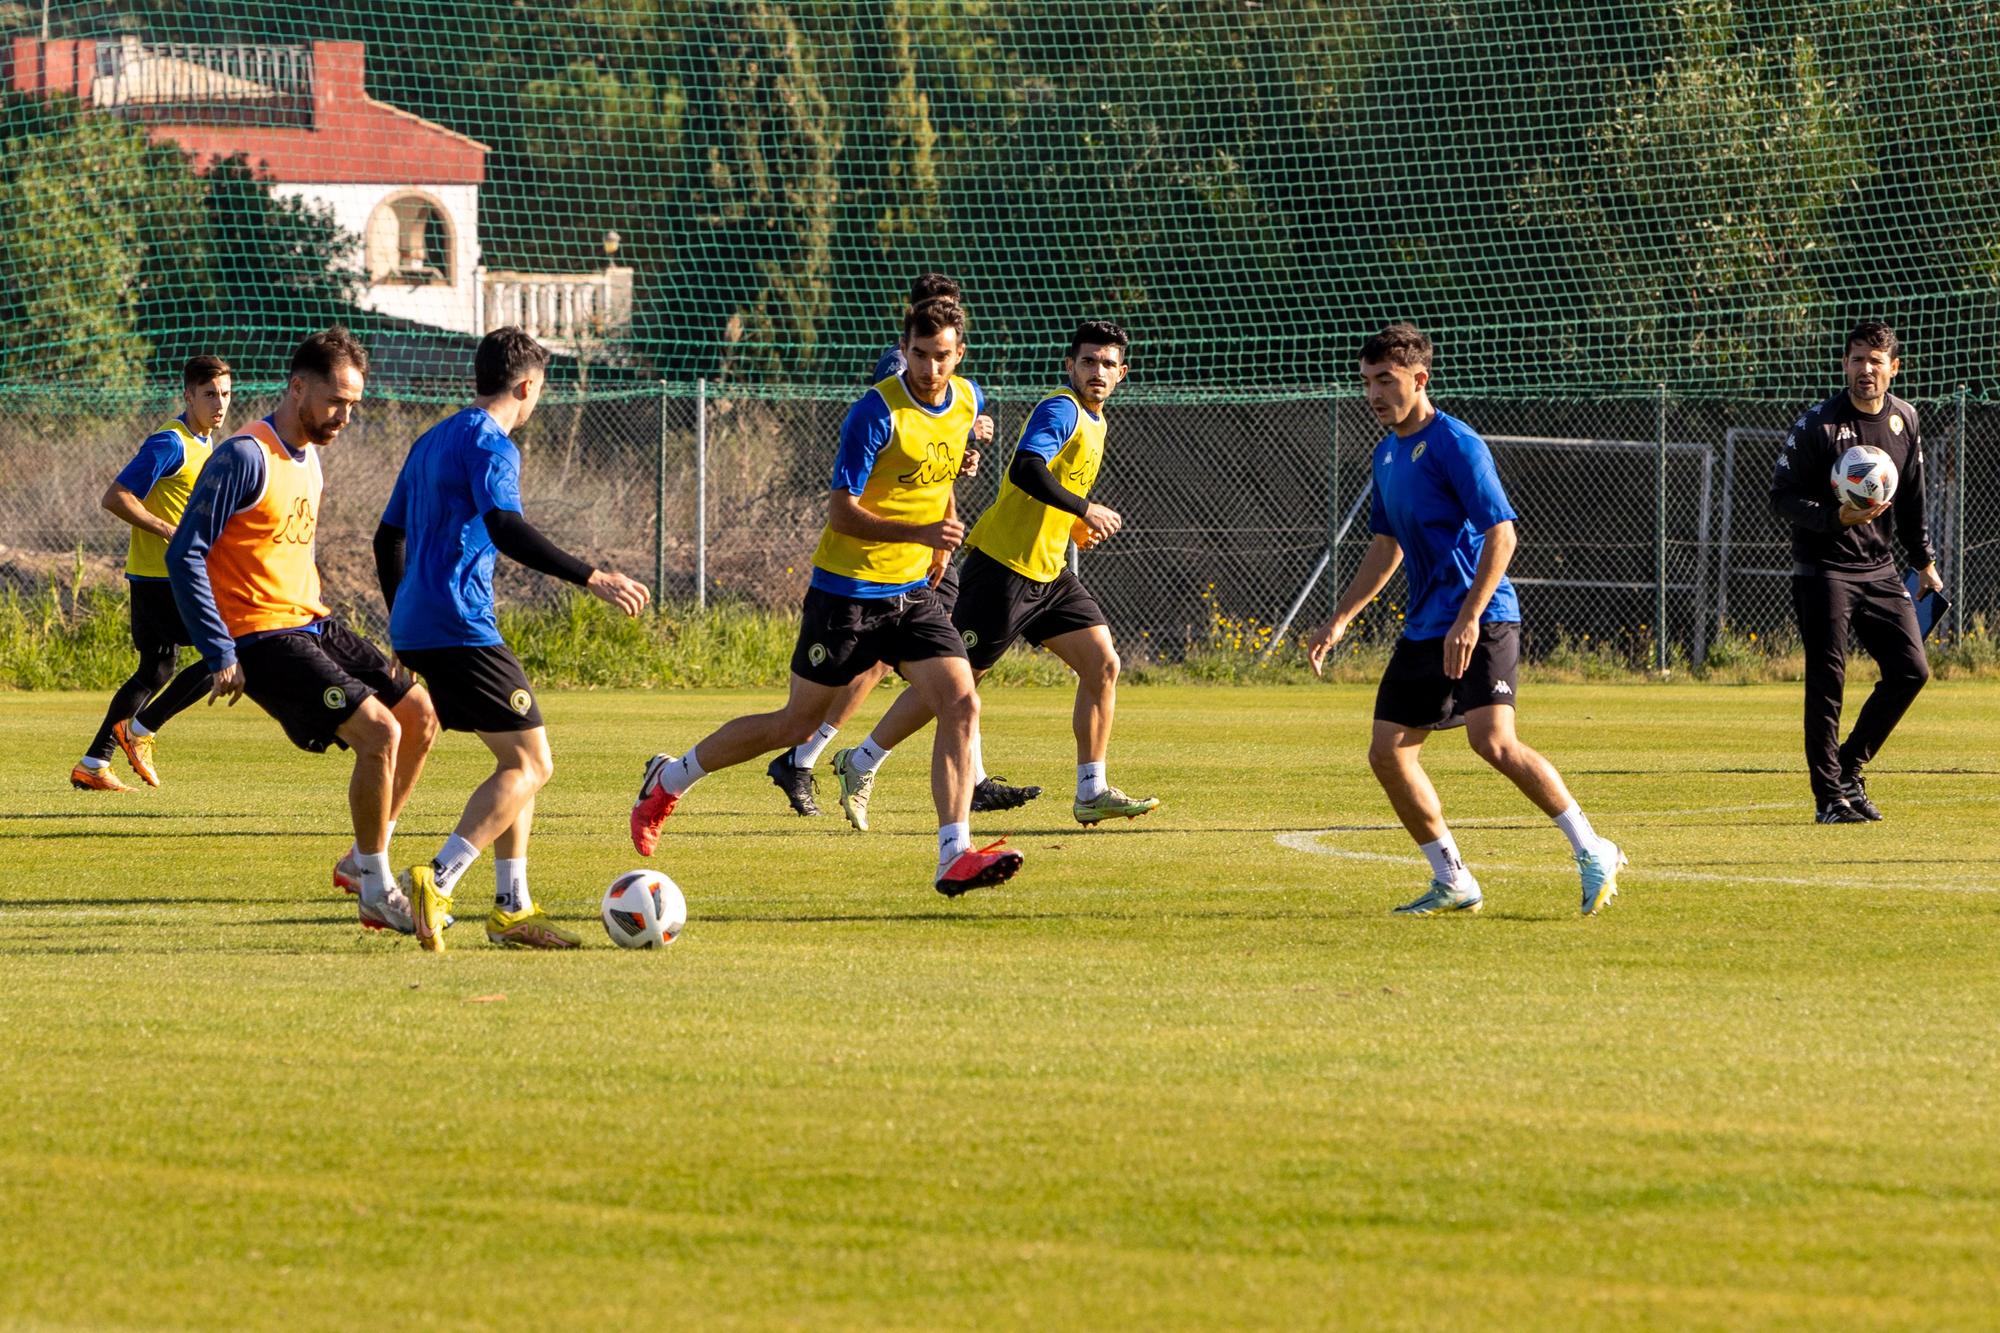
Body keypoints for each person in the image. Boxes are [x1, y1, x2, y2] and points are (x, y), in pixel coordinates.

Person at [630, 296, 1024, 896]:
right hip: (848, 594)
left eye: (942, 357)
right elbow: (842, 513)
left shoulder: (969, 399)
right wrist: (922, 531)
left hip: (913, 594)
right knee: (795, 723)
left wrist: (964, 455)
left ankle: (953, 853)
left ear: (959, 355)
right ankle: (671, 778)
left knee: (961, 701)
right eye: (919, 355)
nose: (930, 369)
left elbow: (944, 452)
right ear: (905, 351)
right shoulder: (876, 412)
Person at [1307, 323, 1625, 916]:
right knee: (1389, 753)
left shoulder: (1456, 443)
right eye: (1367, 382)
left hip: (1484, 617)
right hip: (1427, 625)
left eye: (1386, 380)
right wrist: (1341, 618)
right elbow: (1385, 546)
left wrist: (1470, 617)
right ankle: (1452, 879)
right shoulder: (1387, 452)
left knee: (1493, 742)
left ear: (1419, 379)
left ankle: (1592, 849)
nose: (1374, 393)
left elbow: (1501, 534)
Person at [375, 328, 651, 951]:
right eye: (539, 392)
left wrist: (400, 622)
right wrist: (592, 575)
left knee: (515, 765)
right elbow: (504, 526)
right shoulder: (492, 445)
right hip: (458, 624)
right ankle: (438, 877)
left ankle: (512, 909)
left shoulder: (431, 439)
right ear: (526, 387)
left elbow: (385, 538)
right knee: (534, 763)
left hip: (421, 625)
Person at [828, 320, 1159, 831]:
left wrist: (1071, 523)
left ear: (1123, 374)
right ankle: (861, 760)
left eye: (1108, 364)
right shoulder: (1061, 409)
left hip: (1048, 576)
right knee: (957, 685)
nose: (1098, 371)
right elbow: (1027, 467)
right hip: (1003, 570)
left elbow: (1052, 483)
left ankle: (1092, 790)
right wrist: (1086, 508)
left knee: (1103, 664)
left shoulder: (1096, 421)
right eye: (1088, 361)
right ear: (1069, 366)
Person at [166, 328, 438, 934]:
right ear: (297, 386)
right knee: (380, 731)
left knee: (420, 714)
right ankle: (375, 886)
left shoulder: (309, 457)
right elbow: (184, 553)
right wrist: (218, 649)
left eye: (353, 405)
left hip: (312, 623)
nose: (344, 415)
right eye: (336, 400)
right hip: (261, 636)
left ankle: (361, 859)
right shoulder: (243, 455)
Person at [762, 272, 1040, 818]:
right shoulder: (897, 376)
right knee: (889, 667)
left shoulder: (955, 382)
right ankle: (810, 753)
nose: (935, 358)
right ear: (911, 323)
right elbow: (894, 467)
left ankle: (945, 777)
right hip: (887, 558)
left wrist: (965, 449)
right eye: (931, 313)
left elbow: (937, 464)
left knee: (947, 672)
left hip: (931, 545)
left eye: (951, 312)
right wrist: (930, 535)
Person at [1769, 319, 1941, 823]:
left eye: (1874, 360)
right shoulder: (1818, 424)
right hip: (1823, 570)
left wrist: (1925, 562)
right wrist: (1831, 516)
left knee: (1912, 670)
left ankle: (1848, 767)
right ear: (1845, 364)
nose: (1865, 369)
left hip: (1881, 570)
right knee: (1829, 682)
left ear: (1893, 368)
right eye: (1856, 359)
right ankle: (1830, 799)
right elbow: (1780, 496)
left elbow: (1911, 502)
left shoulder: (1905, 420)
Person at [71, 355, 232, 792]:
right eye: (209, 395)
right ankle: (142, 730)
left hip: (155, 575)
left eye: (225, 394)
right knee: (227, 651)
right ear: (188, 396)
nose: (219, 404)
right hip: (165, 577)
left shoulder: (205, 442)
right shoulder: (171, 442)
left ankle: (93, 763)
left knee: (156, 669)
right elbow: (116, 497)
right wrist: (168, 530)